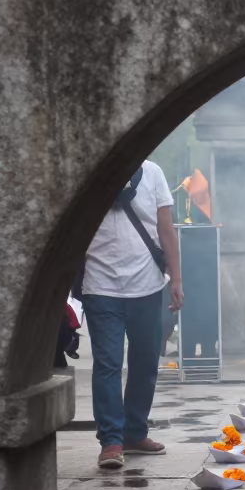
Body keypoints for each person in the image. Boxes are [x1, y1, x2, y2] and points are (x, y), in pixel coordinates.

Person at [80, 160, 183, 469]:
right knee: (108, 363)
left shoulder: (153, 172)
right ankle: (111, 441)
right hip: (101, 285)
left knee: (145, 362)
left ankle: (134, 433)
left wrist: (176, 279)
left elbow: (166, 228)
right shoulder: (91, 170)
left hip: (148, 285)